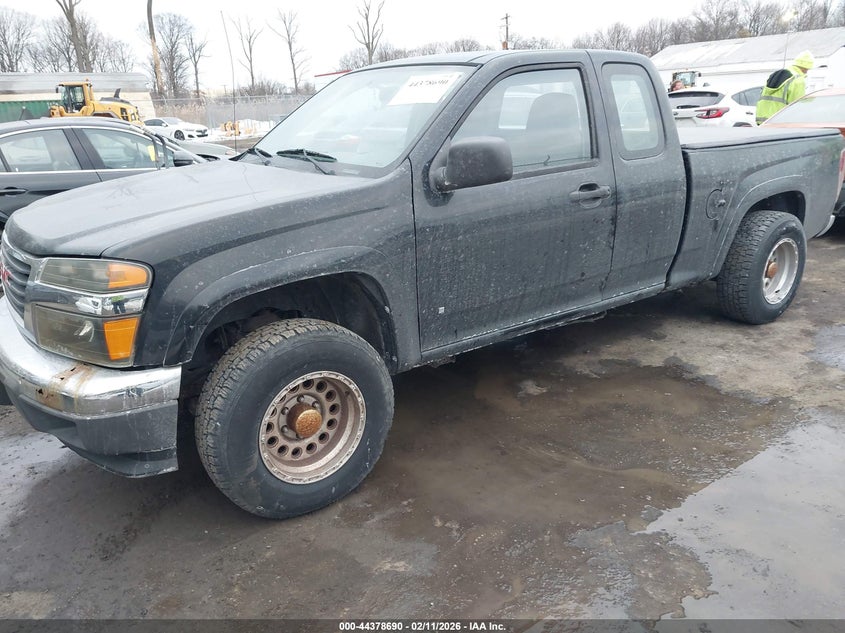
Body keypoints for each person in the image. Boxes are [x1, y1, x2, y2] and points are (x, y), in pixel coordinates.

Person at [755, 50, 815, 124]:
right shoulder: (798, 80)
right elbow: (797, 105)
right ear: (806, 68)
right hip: (780, 122)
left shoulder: (776, 75)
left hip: (763, 121)